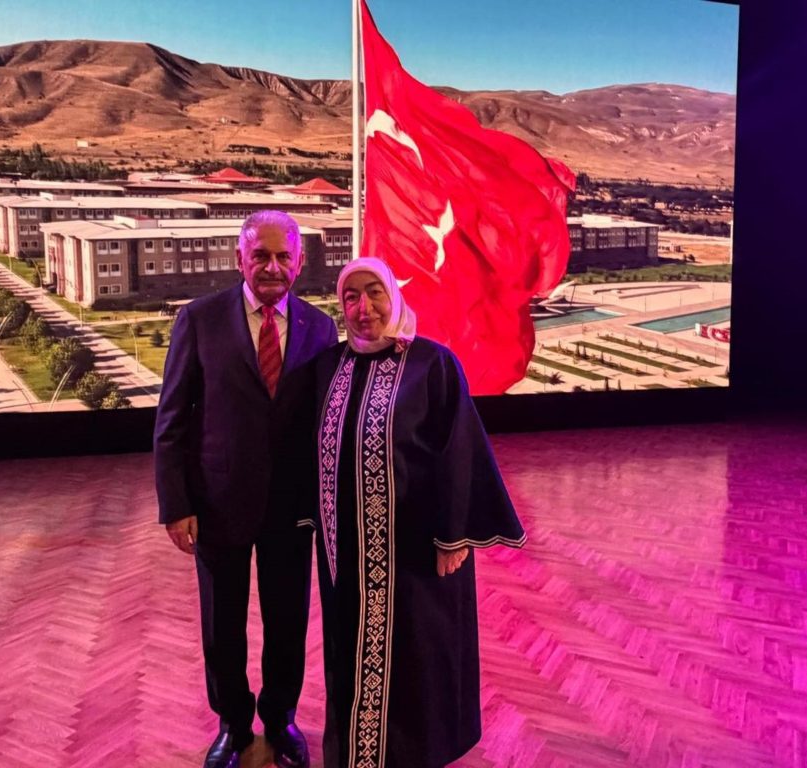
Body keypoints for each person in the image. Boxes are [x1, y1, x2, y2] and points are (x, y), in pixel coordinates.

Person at [305, 257, 527, 768]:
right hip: (346, 557)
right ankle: (355, 754)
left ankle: (420, 754)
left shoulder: (433, 364)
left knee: (420, 653)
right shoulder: (327, 368)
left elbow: (459, 451)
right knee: (349, 652)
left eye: (375, 292)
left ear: (394, 296)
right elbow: (305, 449)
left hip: (417, 553)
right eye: (351, 297)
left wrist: (454, 536)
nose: (364, 307)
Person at [154, 210, 338, 768]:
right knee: (222, 625)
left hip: (291, 508)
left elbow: (329, 416)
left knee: (288, 622)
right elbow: (172, 419)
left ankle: (280, 719)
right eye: (261, 255)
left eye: (284, 257)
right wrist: (176, 504)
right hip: (216, 504)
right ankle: (233, 725)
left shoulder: (320, 327)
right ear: (241, 259)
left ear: (299, 263)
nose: (272, 267)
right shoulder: (199, 319)